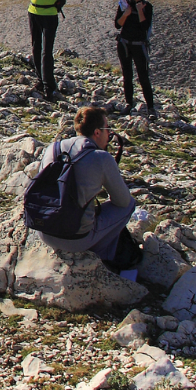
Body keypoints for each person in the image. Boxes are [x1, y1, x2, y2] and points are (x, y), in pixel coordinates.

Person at [37, 107, 138, 275]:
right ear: (97, 132)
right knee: (129, 205)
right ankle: (104, 255)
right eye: (107, 129)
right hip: (76, 240)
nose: (110, 134)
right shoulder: (101, 157)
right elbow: (123, 201)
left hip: (44, 232)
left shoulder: (53, 148)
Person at [11, 0, 70, 97]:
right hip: (34, 13)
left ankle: (49, 85)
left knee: (46, 52)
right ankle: (40, 79)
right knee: (36, 49)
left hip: (49, 15)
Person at [114, 0, 159, 115]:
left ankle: (150, 107)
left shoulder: (147, 7)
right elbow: (117, 24)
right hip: (124, 44)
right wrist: (126, 14)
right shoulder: (124, 5)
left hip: (139, 46)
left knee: (143, 77)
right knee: (127, 76)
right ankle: (128, 103)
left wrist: (140, 11)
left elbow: (145, 27)